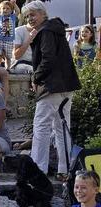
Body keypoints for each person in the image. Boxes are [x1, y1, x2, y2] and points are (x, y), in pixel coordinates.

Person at [24, 0, 81, 179]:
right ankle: (65, 170)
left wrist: (35, 77)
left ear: (43, 14)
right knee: (62, 127)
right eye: (27, 16)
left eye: (33, 14)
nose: (30, 18)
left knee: (41, 127)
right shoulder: (56, 29)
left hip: (51, 86)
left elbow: (47, 59)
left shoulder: (46, 31)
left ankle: (38, 171)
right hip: (66, 86)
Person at [0, 0, 19, 68]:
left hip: (9, 40)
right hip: (0, 40)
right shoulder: (0, 17)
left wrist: (14, 4)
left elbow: (18, 11)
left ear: (11, 10)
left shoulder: (12, 17)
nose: (5, 10)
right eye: (3, 8)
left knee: (8, 57)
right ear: (0, 9)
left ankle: (8, 69)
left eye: (8, 8)